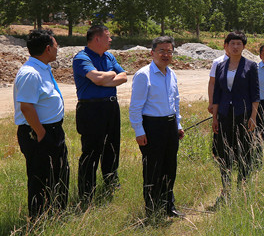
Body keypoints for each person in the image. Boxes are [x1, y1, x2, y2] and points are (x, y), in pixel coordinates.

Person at [13, 28, 69, 220]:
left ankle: (57, 216)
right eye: (55, 44)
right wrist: (42, 133)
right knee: (40, 178)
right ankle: (38, 220)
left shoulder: (42, 68)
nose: (57, 48)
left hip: (52, 130)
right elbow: (26, 107)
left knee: (58, 175)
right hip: (38, 133)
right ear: (47, 48)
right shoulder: (31, 73)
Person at [129, 36, 184, 220]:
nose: (166, 55)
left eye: (169, 51)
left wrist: (178, 125)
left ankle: (169, 206)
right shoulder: (144, 75)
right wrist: (139, 131)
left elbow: (175, 102)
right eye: (162, 51)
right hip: (152, 126)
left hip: (169, 126)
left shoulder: (172, 74)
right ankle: (152, 210)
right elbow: (135, 107)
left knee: (170, 167)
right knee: (153, 169)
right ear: (152, 52)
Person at [72, 24, 127, 206]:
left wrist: (105, 80)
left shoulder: (109, 56)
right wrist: (110, 75)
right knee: (91, 151)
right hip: (91, 110)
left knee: (112, 148)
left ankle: (111, 183)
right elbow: (96, 78)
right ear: (97, 38)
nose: (111, 39)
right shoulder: (82, 57)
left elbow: (124, 76)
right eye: (108, 36)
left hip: (111, 107)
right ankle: (87, 193)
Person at [211, 32, 259, 202]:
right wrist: (215, 117)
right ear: (227, 46)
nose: (236, 46)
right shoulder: (220, 66)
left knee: (244, 150)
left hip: (243, 114)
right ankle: (226, 189)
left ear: (244, 46)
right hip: (224, 115)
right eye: (232, 43)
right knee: (224, 152)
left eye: (239, 43)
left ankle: (243, 188)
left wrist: (253, 116)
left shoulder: (251, 66)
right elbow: (217, 94)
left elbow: (255, 94)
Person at [207, 46, 229, 115]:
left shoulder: (246, 64)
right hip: (221, 103)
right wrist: (211, 103)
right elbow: (212, 83)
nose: (234, 47)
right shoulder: (217, 62)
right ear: (225, 46)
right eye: (232, 44)